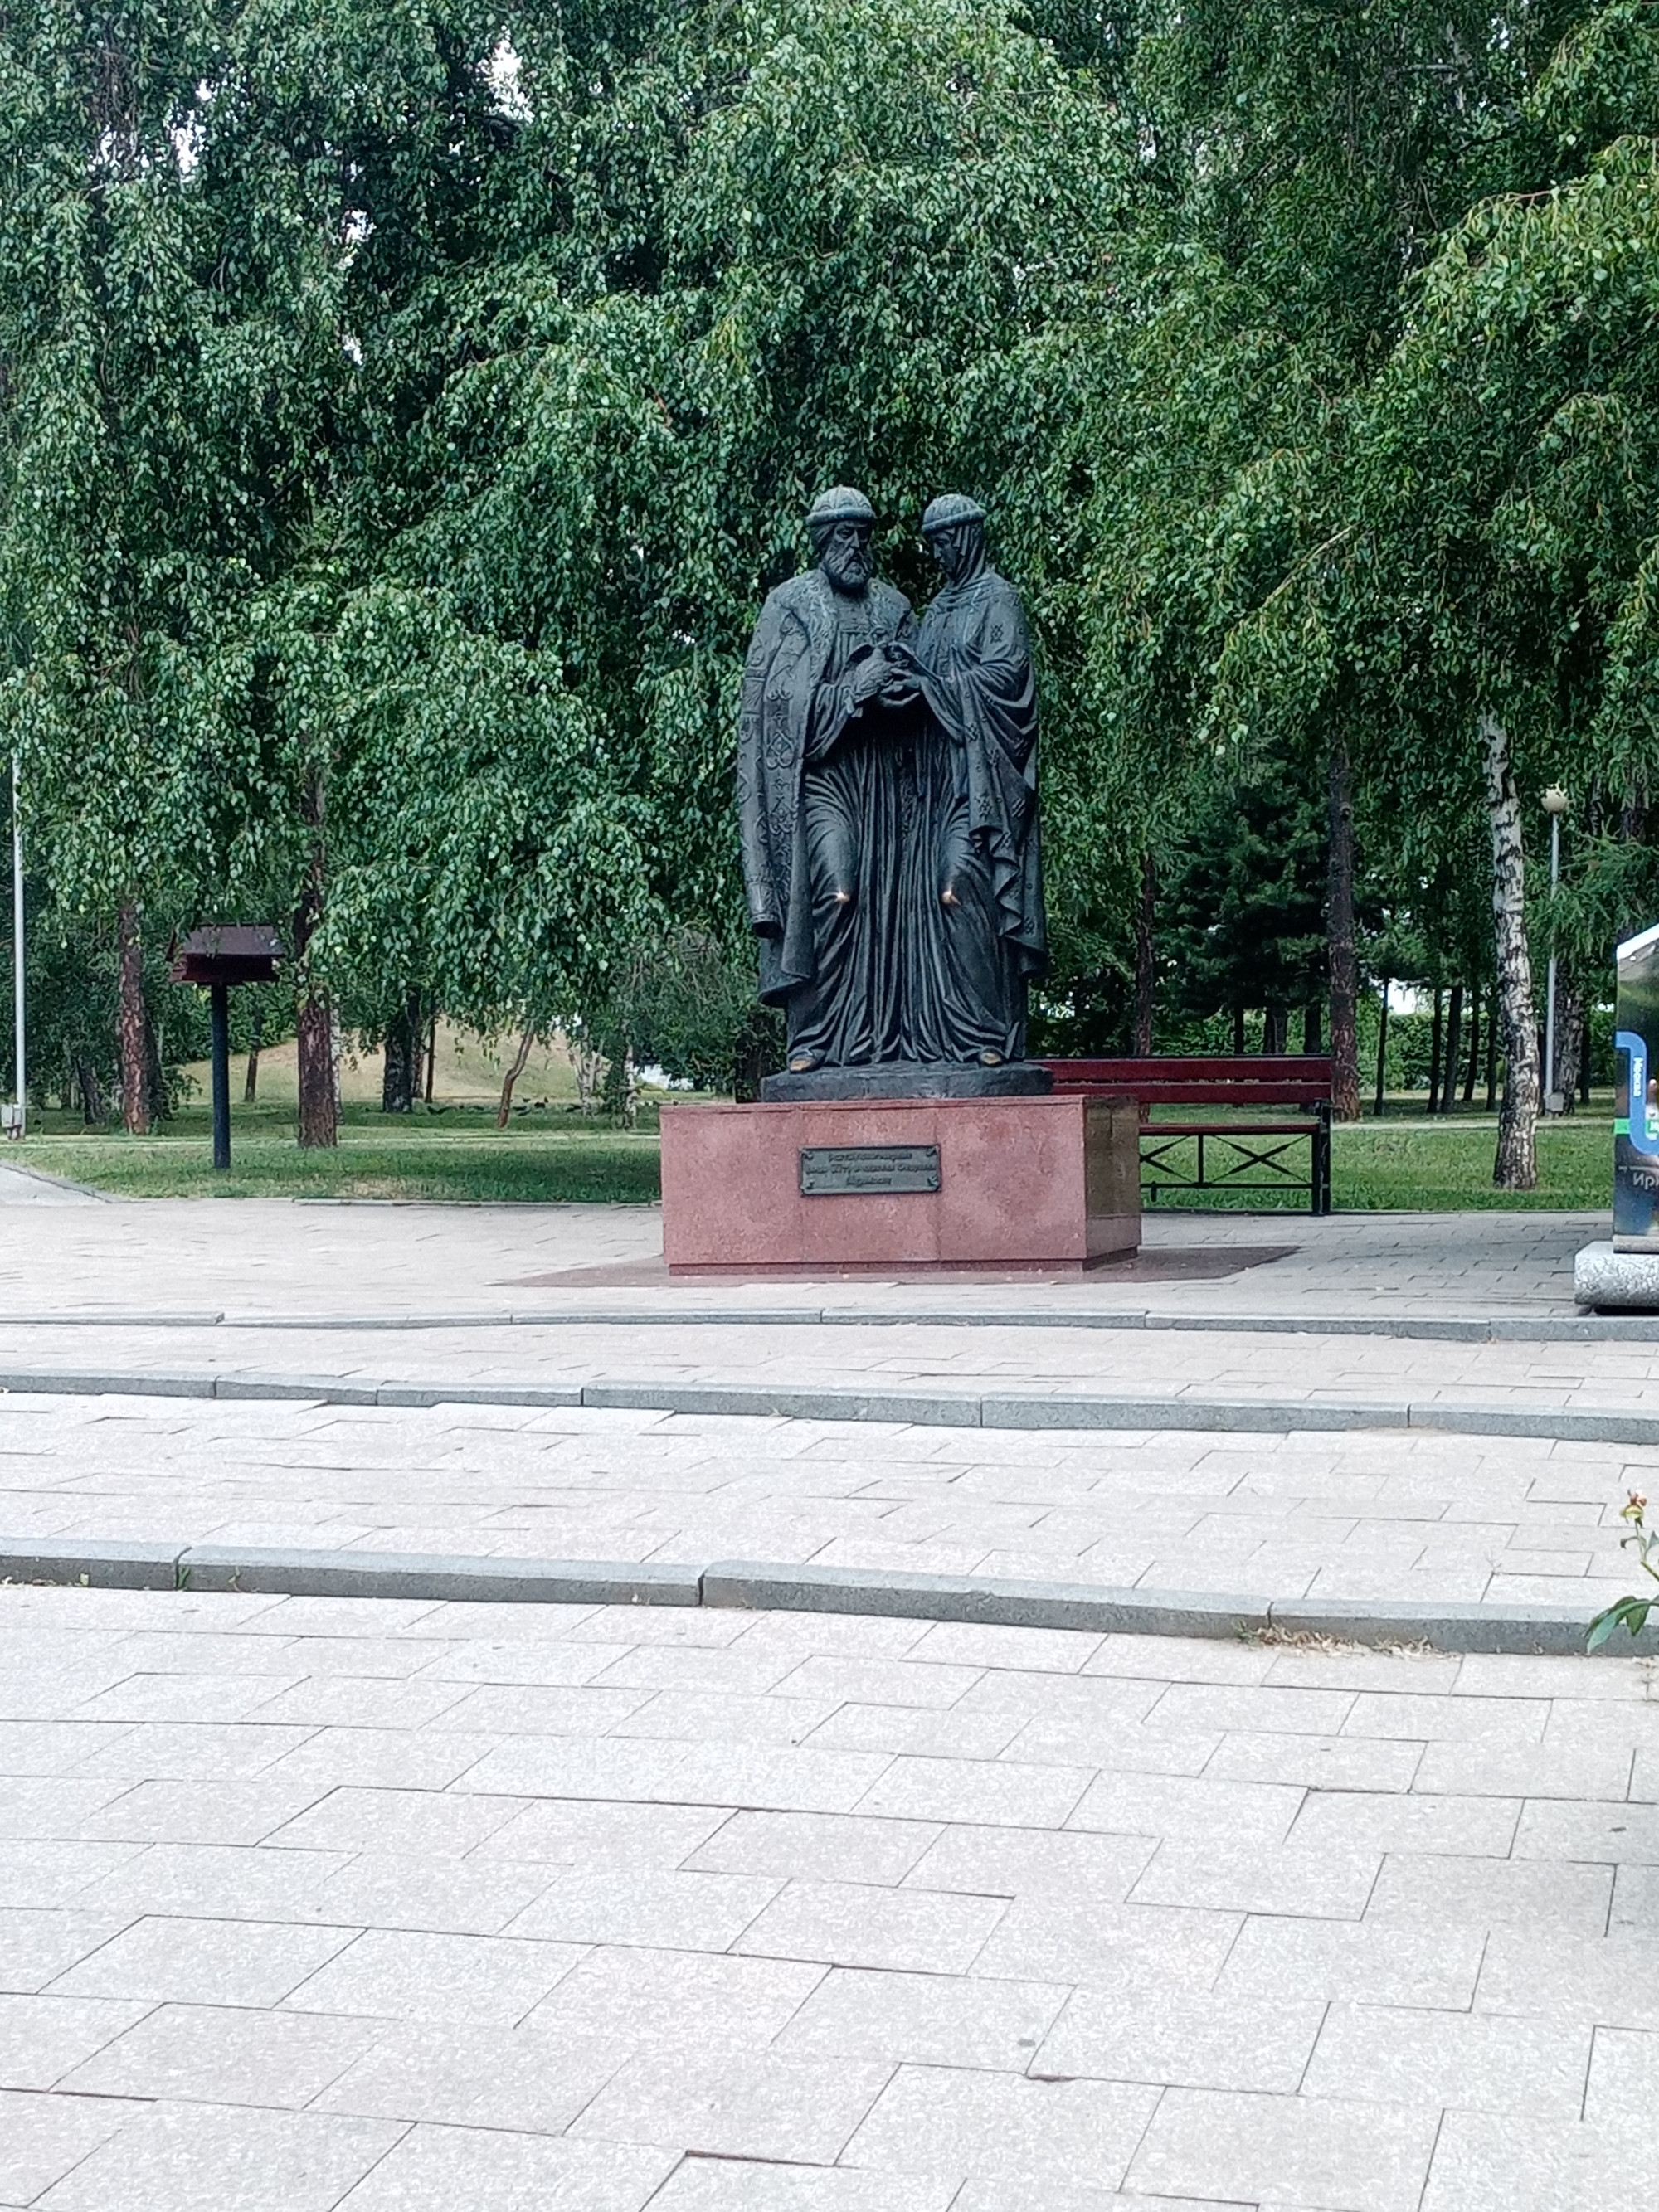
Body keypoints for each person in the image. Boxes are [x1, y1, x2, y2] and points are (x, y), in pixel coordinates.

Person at [736, 486, 921, 1072]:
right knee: (836, 890)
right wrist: (851, 690)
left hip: (884, 784)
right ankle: (813, 1034)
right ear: (822, 541)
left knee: (886, 906)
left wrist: (901, 690)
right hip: (819, 779)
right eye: (845, 535)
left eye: (865, 536)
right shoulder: (791, 604)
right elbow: (776, 706)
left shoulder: (895, 607)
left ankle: (879, 1038)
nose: (857, 547)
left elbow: (923, 687)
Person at [902, 493, 1046, 1064]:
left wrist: (934, 685)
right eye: (931, 544)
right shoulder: (935, 609)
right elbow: (923, 677)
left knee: (958, 881)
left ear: (965, 536)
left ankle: (988, 1031)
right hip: (931, 780)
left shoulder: (999, 600)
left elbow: (1007, 681)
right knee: (923, 901)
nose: (937, 555)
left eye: (942, 542)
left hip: (980, 776)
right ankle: (939, 1034)